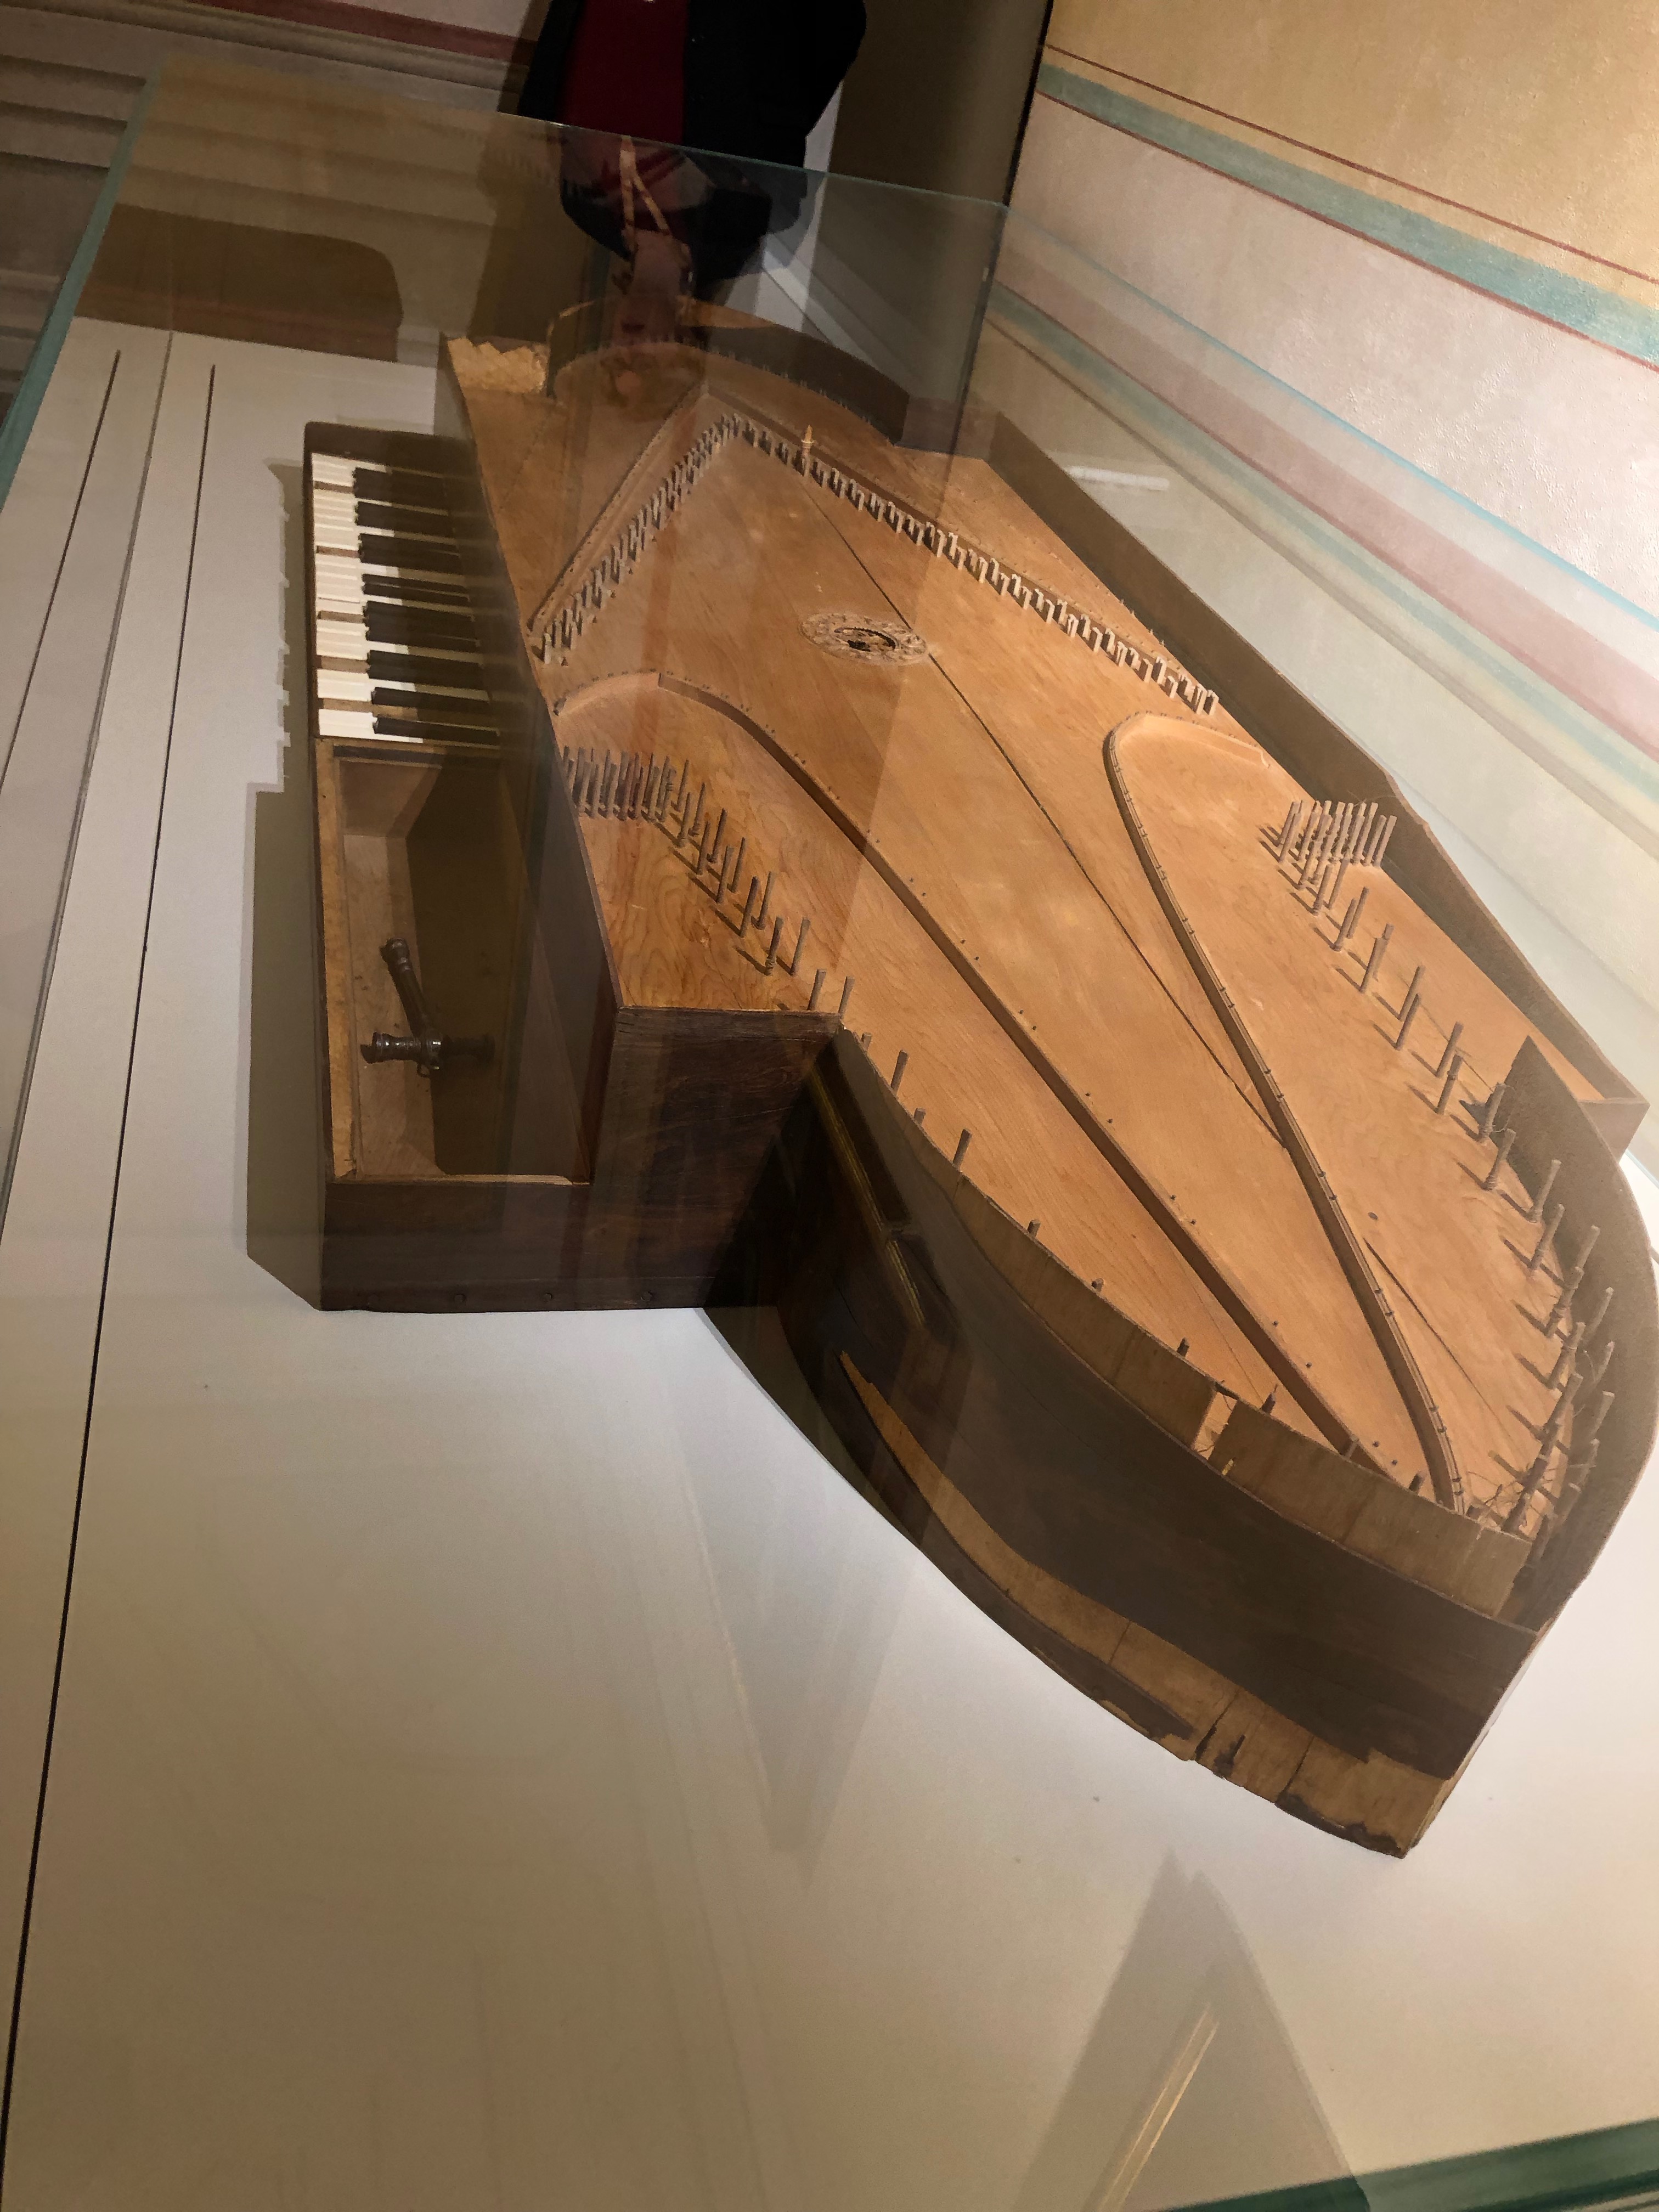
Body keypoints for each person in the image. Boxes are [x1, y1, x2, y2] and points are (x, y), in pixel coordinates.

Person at [515, 0, 866, 336]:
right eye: (649, 367)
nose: (629, 351)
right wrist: (773, 121)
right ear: (688, 345)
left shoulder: (582, 206)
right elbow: (839, 24)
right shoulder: (741, 218)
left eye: (613, 364)